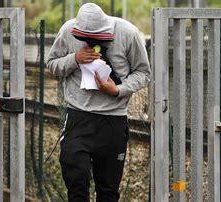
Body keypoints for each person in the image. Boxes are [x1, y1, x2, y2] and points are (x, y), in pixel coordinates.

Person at [46, 3, 151, 202]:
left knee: (108, 190)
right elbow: (51, 64)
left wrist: (118, 89)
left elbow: (144, 73)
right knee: (76, 181)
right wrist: (75, 58)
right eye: (85, 39)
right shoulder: (67, 30)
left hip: (113, 120)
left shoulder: (128, 33)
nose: (91, 41)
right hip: (78, 116)